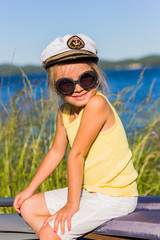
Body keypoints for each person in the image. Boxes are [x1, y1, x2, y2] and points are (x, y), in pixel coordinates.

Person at [13, 34, 138, 240]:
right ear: (56, 88)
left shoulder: (97, 104)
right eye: (66, 84)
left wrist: (72, 206)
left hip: (116, 196)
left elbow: (76, 154)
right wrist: (30, 189)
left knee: (50, 230)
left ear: (97, 77)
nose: (78, 88)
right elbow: (55, 152)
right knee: (28, 207)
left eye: (86, 79)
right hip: (91, 192)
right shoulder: (63, 112)